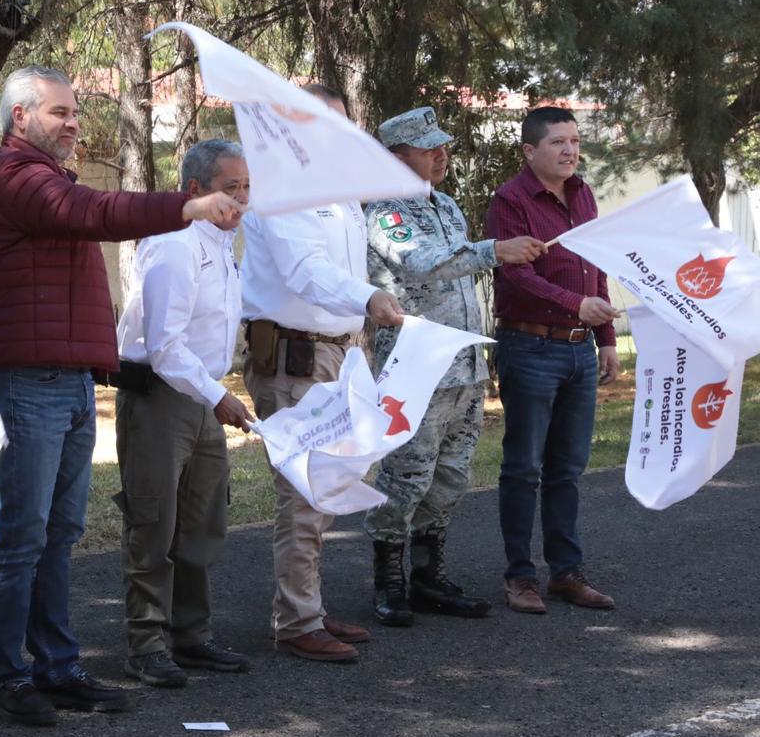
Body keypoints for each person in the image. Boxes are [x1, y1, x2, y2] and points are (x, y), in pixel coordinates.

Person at [0, 66, 242, 726]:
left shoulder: (48, 178)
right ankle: (9, 676)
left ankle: (57, 666)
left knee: (59, 532)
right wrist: (185, 206)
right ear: (20, 118)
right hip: (29, 381)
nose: (73, 123)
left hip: (68, 379)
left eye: (74, 112)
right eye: (60, 112)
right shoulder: (14, 174)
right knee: (24, 535)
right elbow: (96, 212)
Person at [363, 107, 547, 627]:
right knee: (406, 475)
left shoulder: (445, 207)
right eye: (428, 148)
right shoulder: (386, 212)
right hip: (417, 369)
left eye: (443, 144)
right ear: (397, 159)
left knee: (451, 475)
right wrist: (496, 249)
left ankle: (427, 575)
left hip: (463, 368)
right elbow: (422, 263)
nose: (441, 154)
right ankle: (389, 579)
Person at [240, 84, 405, 663]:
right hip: (293, 359)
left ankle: (306, 603)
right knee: (304, 494)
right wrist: (368, 297)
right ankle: (298, 620)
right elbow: (306, 271)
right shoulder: (281, 190)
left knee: (328, 487)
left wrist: (363, 315)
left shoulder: (336, 194)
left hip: (337, 353)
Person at [111, 139, 254, 688]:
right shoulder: (176, 243)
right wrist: (217, 396)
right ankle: (146, 643)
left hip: (199, 395)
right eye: (228, 188)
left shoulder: (223, 245)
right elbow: (166, 345)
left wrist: (212, 392)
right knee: (154, 522)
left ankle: (191, 635)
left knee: (202, 521)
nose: (240, 200)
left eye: (245, 188)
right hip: (161, 398)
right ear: (193, 191)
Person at [486, 105, 621, 615]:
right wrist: (575, 306)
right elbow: (516, 275)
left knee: (568, 468)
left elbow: (597, 265)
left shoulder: (583, 193)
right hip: (530, 346)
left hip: (579, 351)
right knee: (524, 467)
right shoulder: (511, 200)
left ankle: (566, 572)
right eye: (557, 142)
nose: (569, 150)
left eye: (574, 140)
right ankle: (519, 576)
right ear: (529, 150)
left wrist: (605, 336)